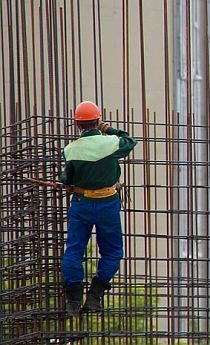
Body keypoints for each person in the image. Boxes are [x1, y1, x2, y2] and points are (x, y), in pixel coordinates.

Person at [60, 101, 138, 316]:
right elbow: (130, 141)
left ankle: (73, 302)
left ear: (77, 124)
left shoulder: (70, 150)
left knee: (74, 250)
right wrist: (108, 129)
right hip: (107, 203)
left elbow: (66, 178)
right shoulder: (111, 143)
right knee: (113, 251)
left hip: (81, 203)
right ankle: (95, 295)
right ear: (98, 120)